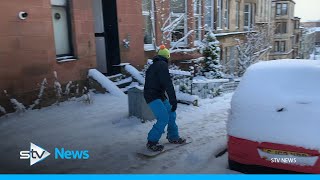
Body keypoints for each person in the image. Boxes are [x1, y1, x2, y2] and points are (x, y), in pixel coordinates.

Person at [144, 45, 186, 152]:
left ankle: (173, 136)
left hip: (158, 95)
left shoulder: (156, 65)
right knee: (163, 117)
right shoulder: (162, 65)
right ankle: (151, 141)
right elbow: (168, 84)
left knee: (171, 114)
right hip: (152, 96)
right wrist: (173, 100)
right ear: (167, 57)